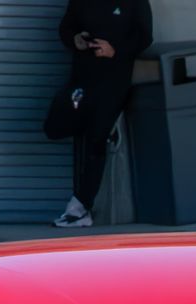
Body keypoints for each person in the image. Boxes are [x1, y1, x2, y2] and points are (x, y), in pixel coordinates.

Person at [49, 0, 152, 229]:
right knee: (59, 125)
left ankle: (80, 207)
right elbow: (66, 27)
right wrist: (76, 40)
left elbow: (144, 36)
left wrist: (115, 50)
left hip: (113, 81)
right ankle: (80, 201)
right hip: (82, 78)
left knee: (97, 137)